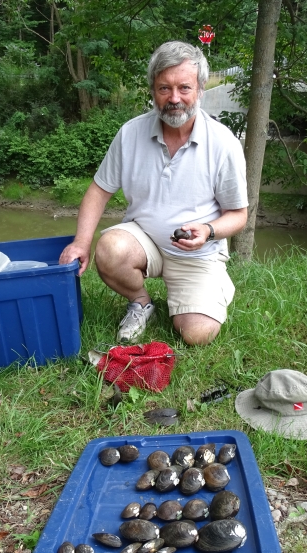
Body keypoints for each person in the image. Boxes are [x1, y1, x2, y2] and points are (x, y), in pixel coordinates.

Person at [59, 41, 248, 346]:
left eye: (184, 88)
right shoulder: (130, 133)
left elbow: (239, 215)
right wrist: (81, 243)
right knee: (109, 248)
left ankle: (210, 288)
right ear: (152, 90)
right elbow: (98, 190)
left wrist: (209, 230)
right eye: (164, 88)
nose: (174, 98)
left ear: (200, 89)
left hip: (197, 254)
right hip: (143, 241)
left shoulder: (224, 144)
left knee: (197, 335)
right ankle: (141, 302)